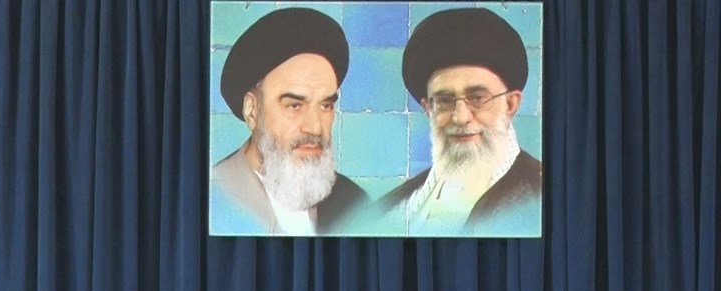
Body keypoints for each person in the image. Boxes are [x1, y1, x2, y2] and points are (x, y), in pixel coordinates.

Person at [379, 7, 542, 235]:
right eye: (445, 101)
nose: (461, 117)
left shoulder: (545, 196)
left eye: (478, 98)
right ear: (428, 109)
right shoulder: (394, 209)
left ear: (510, 104)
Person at [209, 8, 369, 236]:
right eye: (295, 106)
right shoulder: (215, 196)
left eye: (325, 106)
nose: (315, 127)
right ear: (252, 111)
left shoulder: (353, 203)